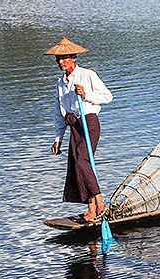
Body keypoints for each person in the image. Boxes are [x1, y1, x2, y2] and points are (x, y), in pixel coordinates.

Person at [45, 37, 113, 223]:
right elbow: (59, 113)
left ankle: (100, 203)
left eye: (65, 58)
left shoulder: (87, 75)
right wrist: (58, 138)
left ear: (73, 57)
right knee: (76, 163)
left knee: (83, 160)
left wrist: (86, 94)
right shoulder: (60, 83)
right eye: (58, 59)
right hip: (74, 124)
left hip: (89, 122)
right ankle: (91, 208)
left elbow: (107, 96)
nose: (61, 62)